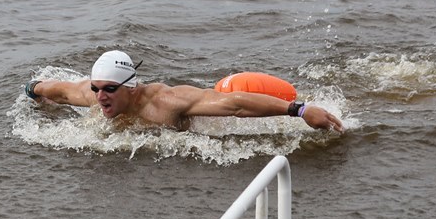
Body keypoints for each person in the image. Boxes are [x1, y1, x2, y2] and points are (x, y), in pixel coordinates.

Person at [24, 50, 344, 133]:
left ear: (130, 87)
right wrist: (33, 90)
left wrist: (300, 110)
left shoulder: (167, 102)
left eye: (109, 89)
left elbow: (233, 106)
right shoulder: (90, 95)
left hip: (213, 107)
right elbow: (59, 91)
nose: (100, 97)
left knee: (225, 91)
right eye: (96, 89)